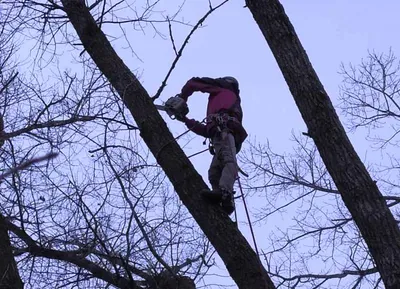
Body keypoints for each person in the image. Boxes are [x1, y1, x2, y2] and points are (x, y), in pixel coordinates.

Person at [176, 76, 248, 215]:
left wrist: (182, 97)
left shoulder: (224, 89)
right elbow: (207, 131)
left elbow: (193, 83)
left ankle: (224, 192)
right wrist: (185, 120)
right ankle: (224, 199)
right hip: (220, 134)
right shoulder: (226, 104)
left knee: (228, 161)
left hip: (225, 132)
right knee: (214, 172)